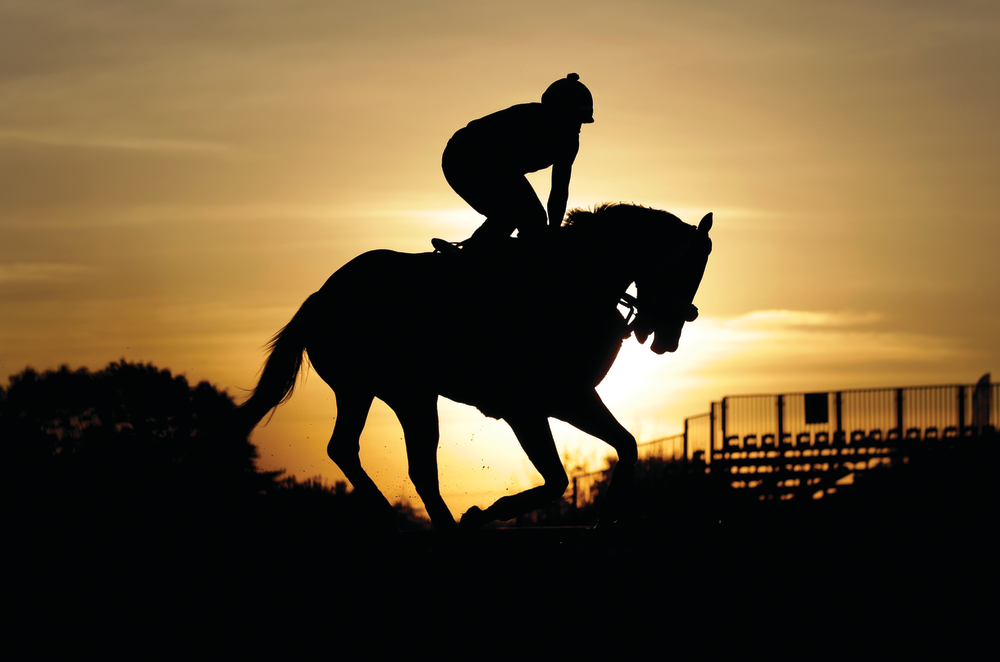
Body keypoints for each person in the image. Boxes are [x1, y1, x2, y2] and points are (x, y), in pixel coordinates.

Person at [436, 73, 594, 253]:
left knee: (532, 222)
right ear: (555, 113)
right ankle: (470, 257)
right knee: (514, 216)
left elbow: (559, 189)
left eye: (581, 122)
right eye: (573, 120)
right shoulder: (525, 119)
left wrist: (553, 230)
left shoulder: (569, 141)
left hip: (503, 170)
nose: (577, 127)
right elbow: (500, 174)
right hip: (463, 160)